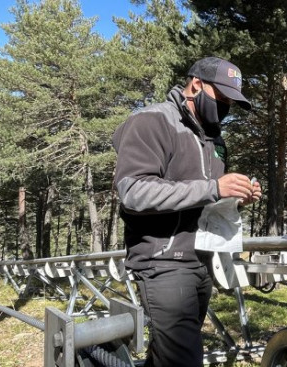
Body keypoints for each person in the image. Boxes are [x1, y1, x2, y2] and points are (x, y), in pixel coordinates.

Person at [112, 56, 261, 366]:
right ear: (196, 85)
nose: (226, 108)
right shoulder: (152, 121)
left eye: (232, 101)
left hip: (201, 258)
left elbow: (204, 197)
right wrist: (214, 188)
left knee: (170, 353)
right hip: (162, 259)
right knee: (183, 359)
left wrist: (234, 197)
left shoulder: (215, 140)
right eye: (222, 97)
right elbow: (133, 192)